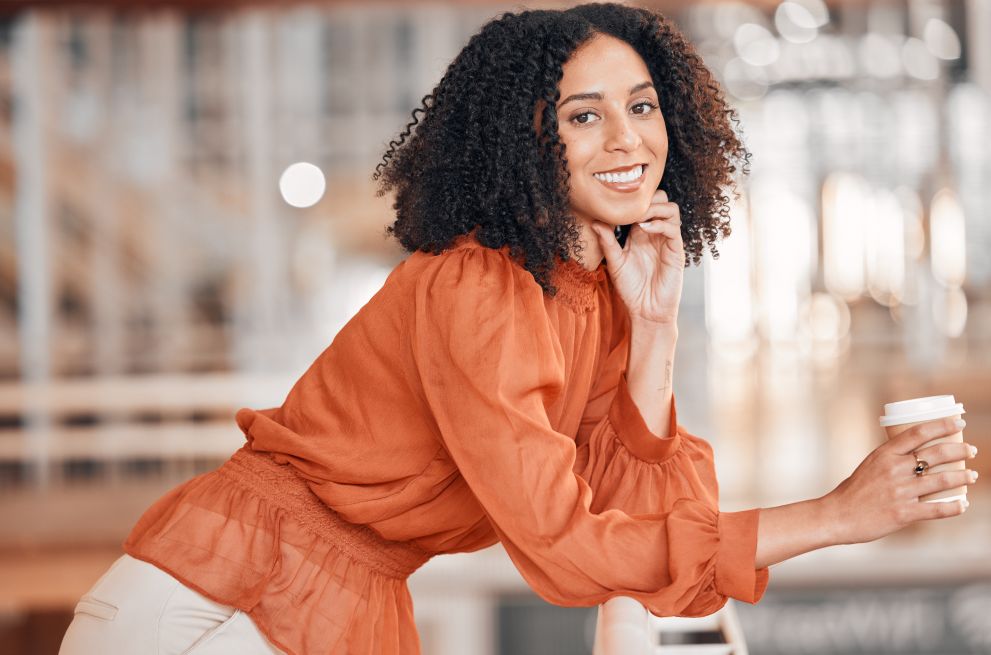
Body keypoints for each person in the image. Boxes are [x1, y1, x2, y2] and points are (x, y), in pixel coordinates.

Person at [59, 4, 977, 654]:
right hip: (211, 602)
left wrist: (653, 327)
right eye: (585, 116)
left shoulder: (596, 289)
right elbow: (569, 548)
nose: (626, 138)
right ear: (528, 141)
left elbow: (640, 519)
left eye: (641, 104)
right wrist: (834, 516)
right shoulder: (479, 286)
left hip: (336, 596)